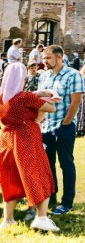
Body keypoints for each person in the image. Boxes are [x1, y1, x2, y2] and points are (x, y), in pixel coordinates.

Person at [0, 63, 62, 232]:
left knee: (10, 178)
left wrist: (36, 93)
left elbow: (15, 99)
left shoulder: (2, 98)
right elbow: (51, 108)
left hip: (7, 140)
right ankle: (41, 217)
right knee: (39, 174)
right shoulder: (26, 98)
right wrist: (46, 96)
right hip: (27, 139)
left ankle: (8, 219)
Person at [38, 45, 83, 215]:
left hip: (64, 126)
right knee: (47, 166)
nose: (45, 61)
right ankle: (51, 197)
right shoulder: (44, 76)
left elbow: (75, 102)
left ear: (59, 57)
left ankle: (67, 202)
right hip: (46, 127)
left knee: (66, 164)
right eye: (44, 58)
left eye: (48, 58)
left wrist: (65, 123)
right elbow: (41, 101)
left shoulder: (73, 74)